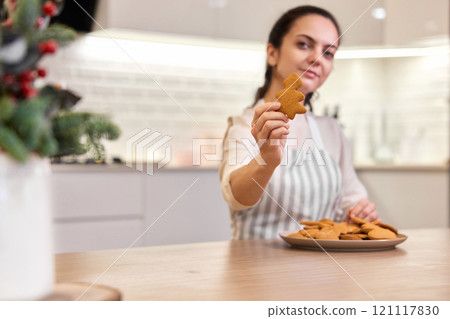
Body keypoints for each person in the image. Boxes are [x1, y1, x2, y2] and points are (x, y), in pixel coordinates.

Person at [219, 5, 378, 240]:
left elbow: (351, 201)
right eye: (304, 44)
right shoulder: (243, 126)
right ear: (272, 53)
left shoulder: (332, 131)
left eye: (329, 52)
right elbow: (238, 198)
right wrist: (267, 159)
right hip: (255, 269)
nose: (317, 58)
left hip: (322, 269)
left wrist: (361, 210)